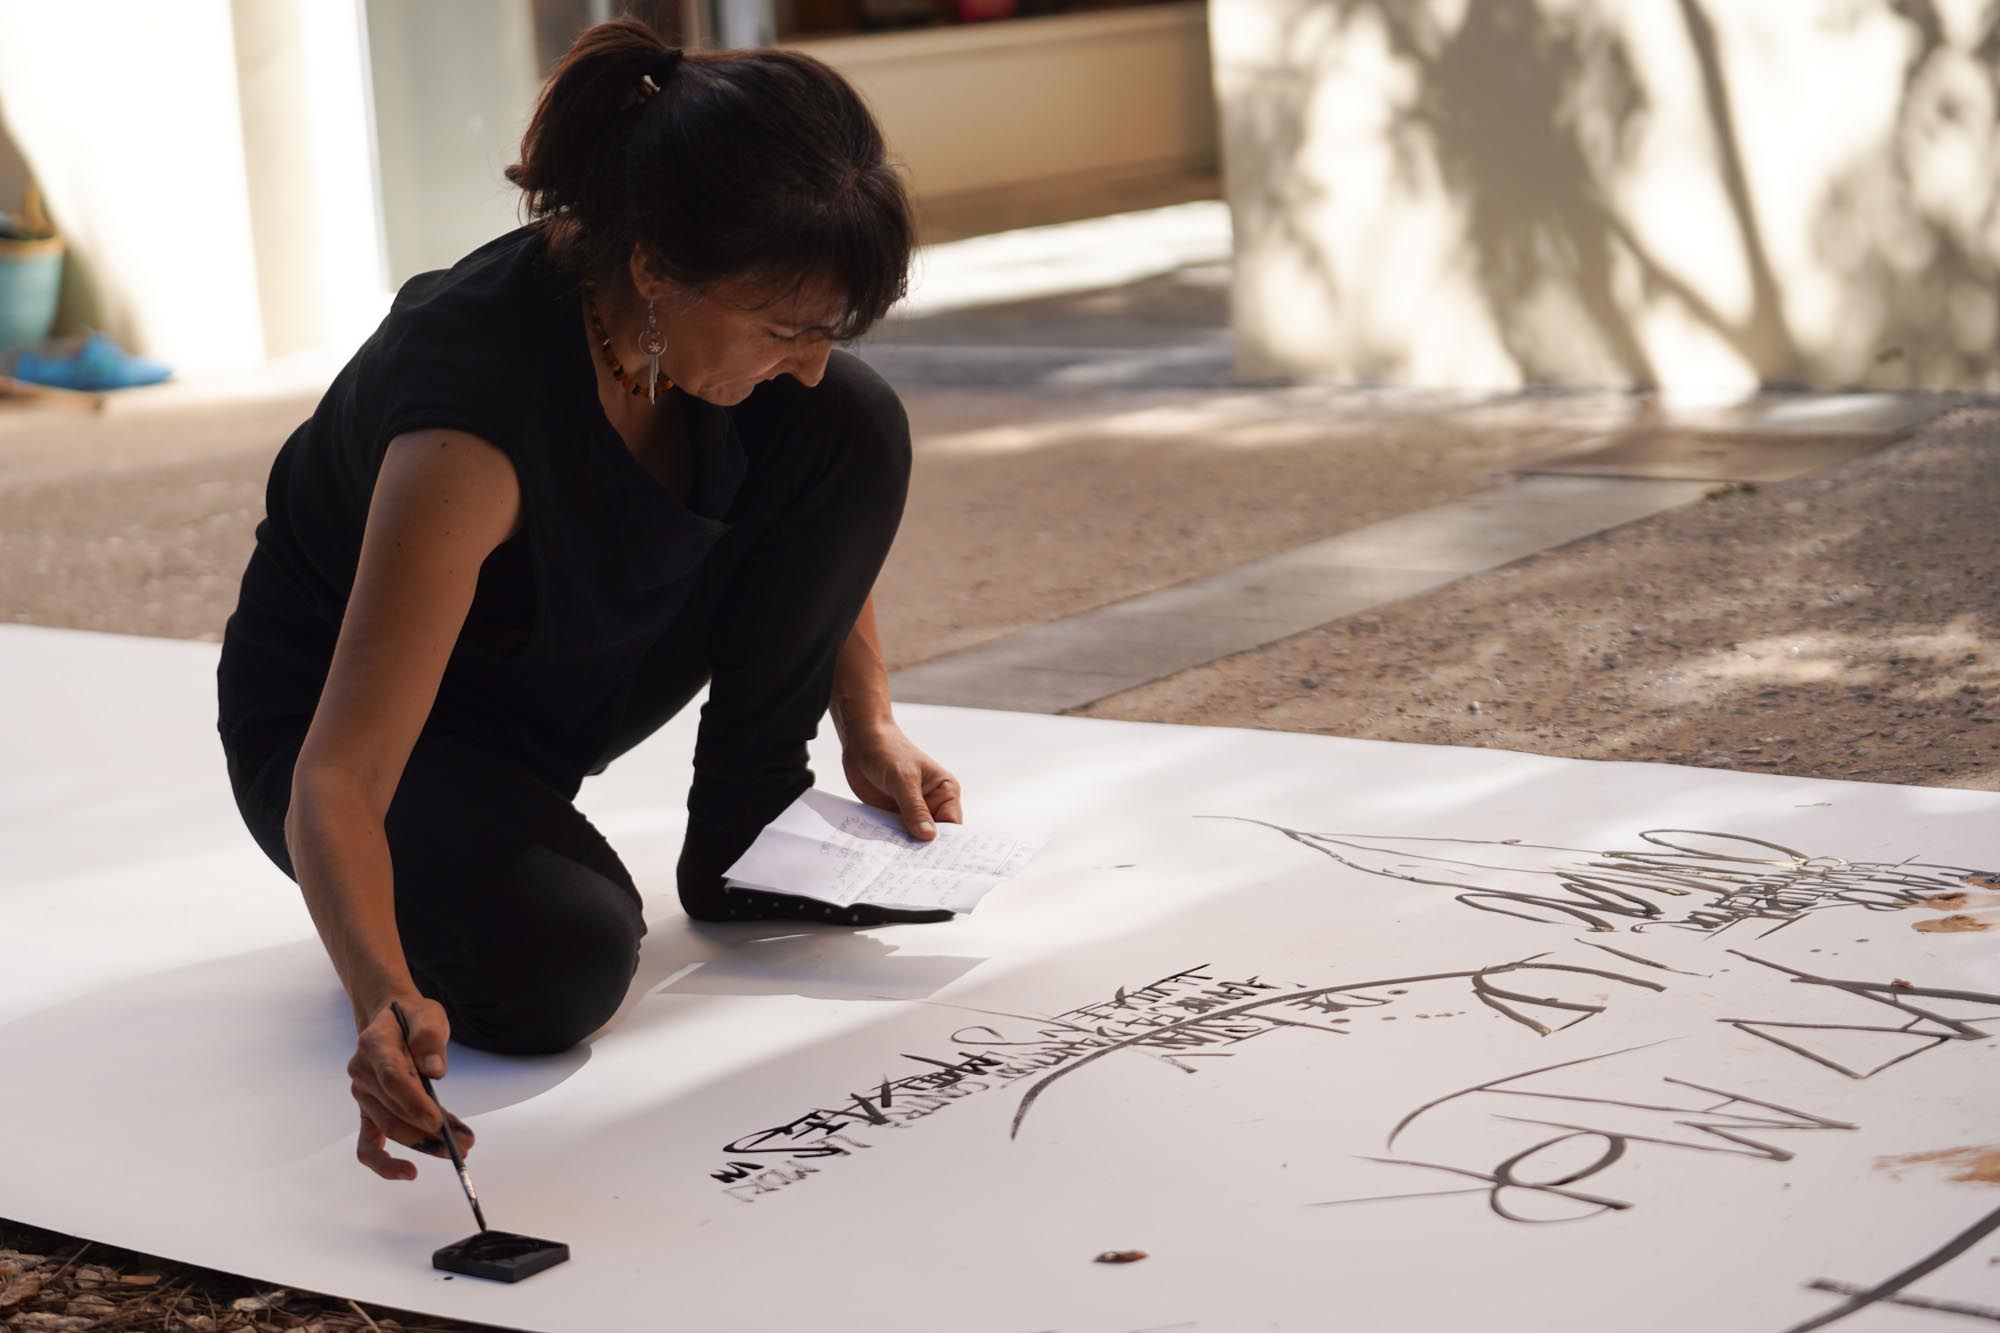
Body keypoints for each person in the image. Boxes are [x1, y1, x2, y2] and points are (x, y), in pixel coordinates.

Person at [214, 20, 963, 1182]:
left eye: (825, 327)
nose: (806, 358)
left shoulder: (683, 328)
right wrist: (378, 991)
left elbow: (808, 499)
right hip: (357, 732)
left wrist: (866, 720)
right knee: (558, 963)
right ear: (657, 266)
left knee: (850, 421)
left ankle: (750, 830)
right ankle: (472, 874)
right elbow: (338, 772)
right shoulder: (466, 424)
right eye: (785, 329)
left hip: (547, 663)